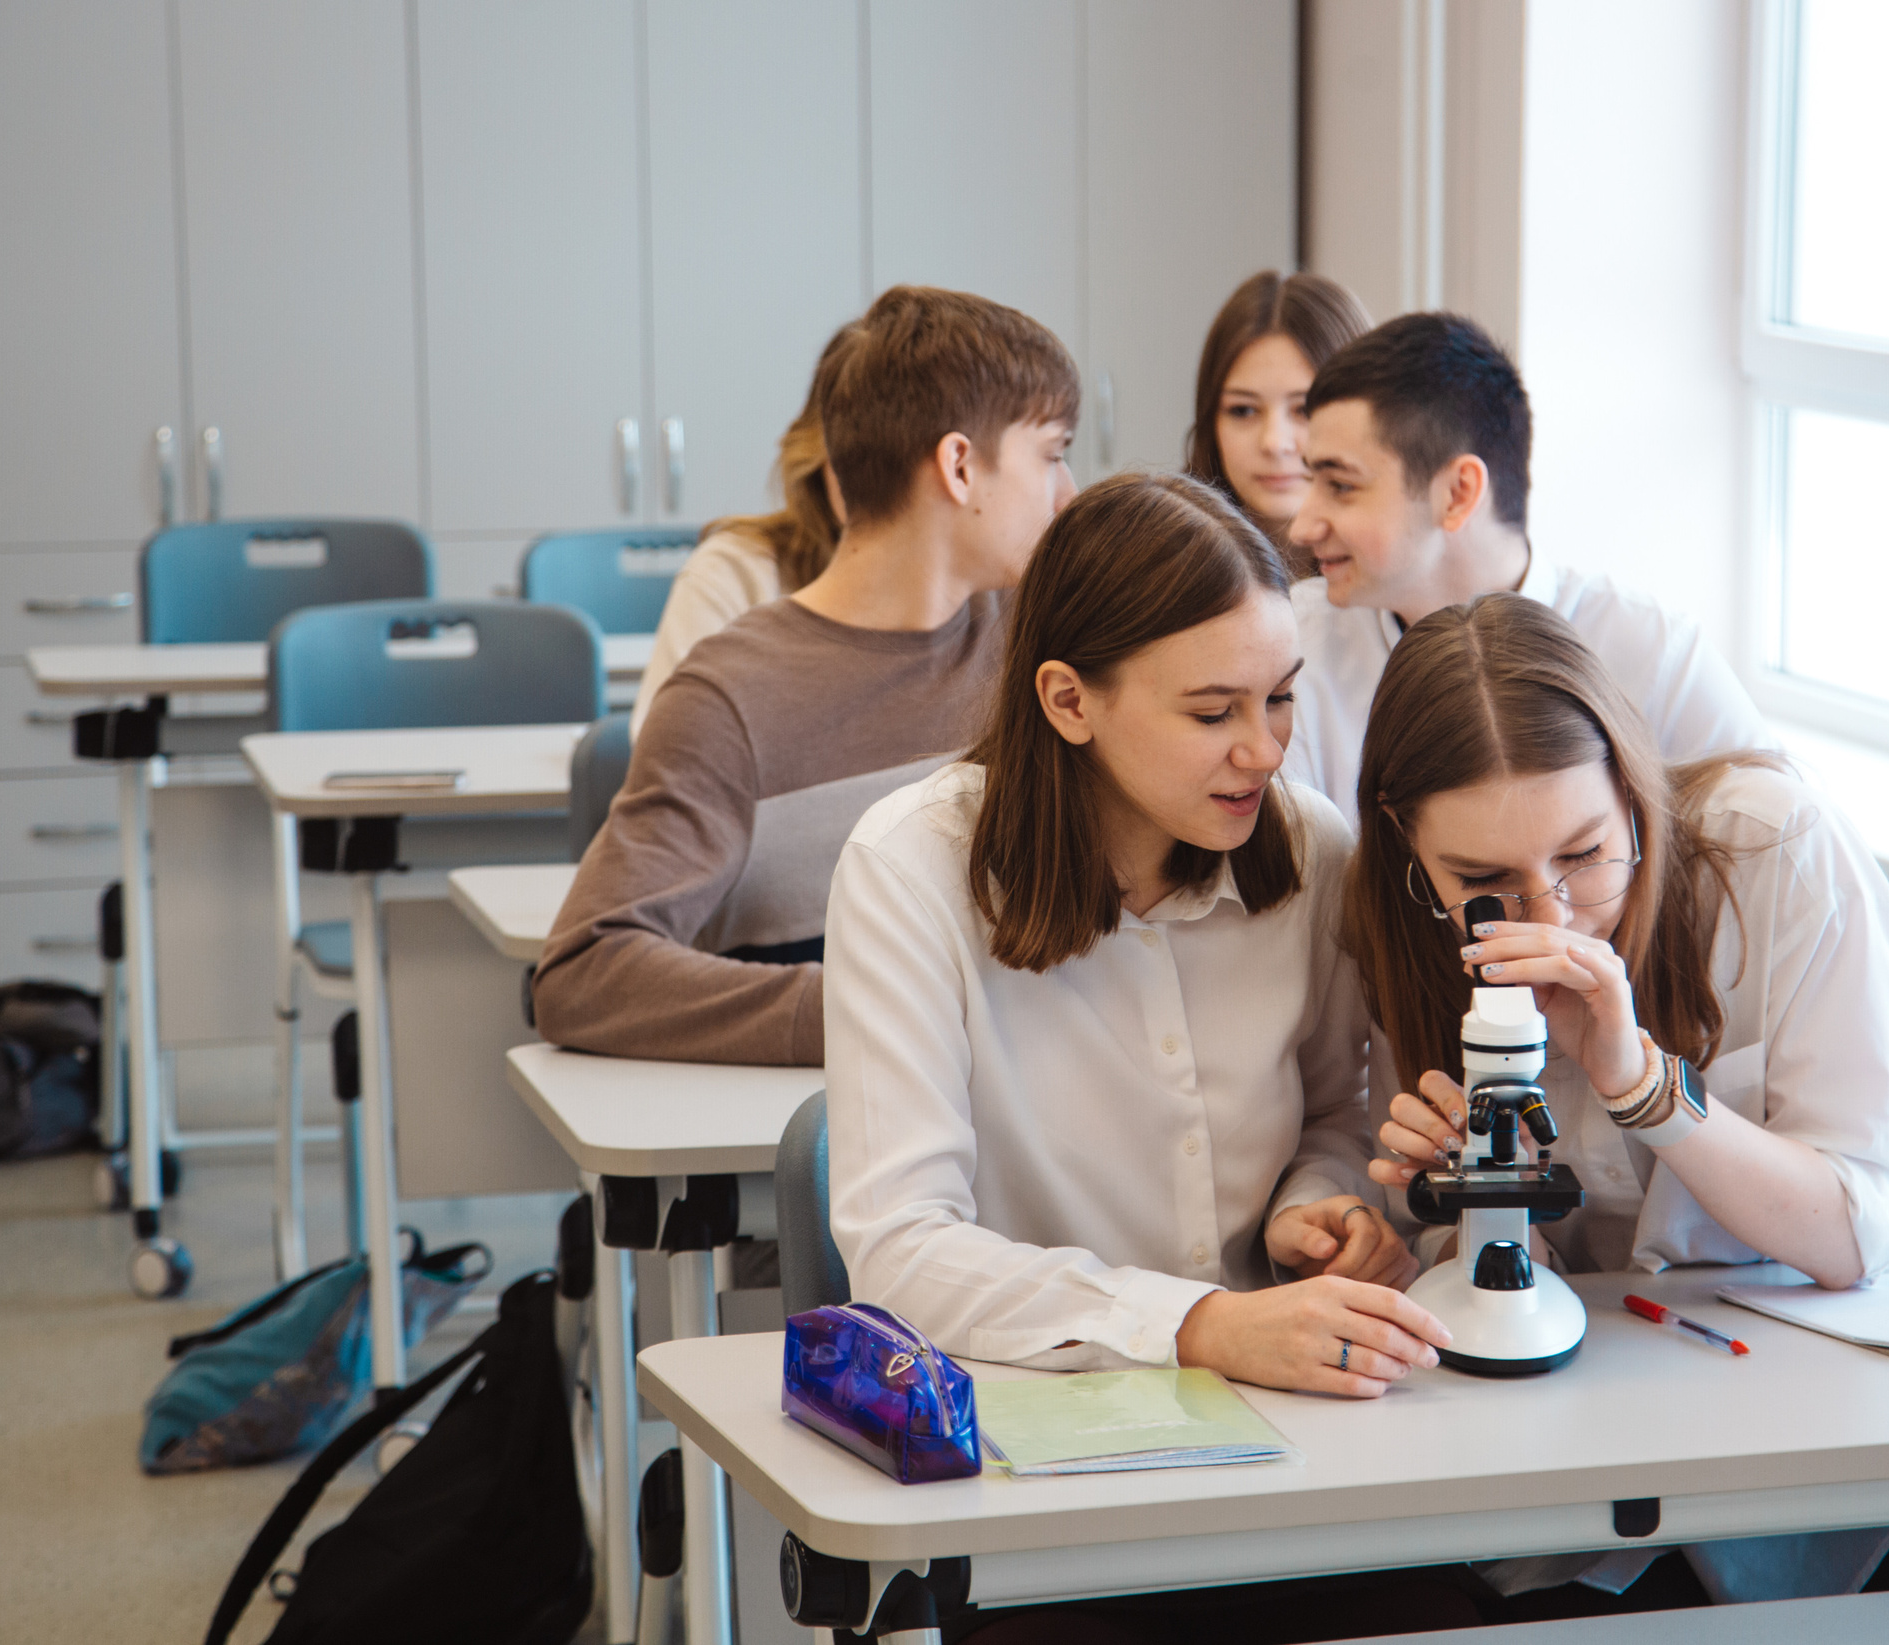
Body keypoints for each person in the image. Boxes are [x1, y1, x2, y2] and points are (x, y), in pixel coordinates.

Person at [824, 470, 1484, 1643]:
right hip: (1049, 1494)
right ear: (1069, 700)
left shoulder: (1309, 851)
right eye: (1211, 711)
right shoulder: (909, 868)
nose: (1263, 751)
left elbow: (1338, 1109)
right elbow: (900, 1249)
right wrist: (1199, 1323)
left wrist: (1315, 1204)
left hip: (1298, 1454)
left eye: (1279, 699)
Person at [1346, 593, 1889, 1617]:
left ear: (1630, 782)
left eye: (1582, 853)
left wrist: (1638, 1081)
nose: (1551, 916)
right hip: (1621, 1465)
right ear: (1410, 847)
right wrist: (1454, 1205)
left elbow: (1848, 1235)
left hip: (1887, 1467)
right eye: (1485, 879)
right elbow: (1525, 1304)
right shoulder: (1405, 932)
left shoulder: (1770, 848)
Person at [530, 286, 1078, 1064]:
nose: (1071, 492)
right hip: (830, 1151)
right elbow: (586, 972)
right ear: (959, 465)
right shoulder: (731, 699)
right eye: (1053, 453)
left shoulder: (1040, 647)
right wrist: (877, 1011)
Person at [1283, 312, 1770, 827]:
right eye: (1311, 480)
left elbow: (1779, 843)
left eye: (1340, 486)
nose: (1302, 526)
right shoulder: (1295, 645)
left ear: (1458, 493)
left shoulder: (1656, 658)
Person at [627, 323, 858, 736]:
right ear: (816, 452)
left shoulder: (980, 598)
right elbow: (665, 745)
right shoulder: (737, 569)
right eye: (857, 450)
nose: (882, 477)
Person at [1183, 269, 1371, 576]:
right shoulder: (1166, 565)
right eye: (1243, 410)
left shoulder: (1406, 586)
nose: (1274, 442)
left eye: (1305, 409)